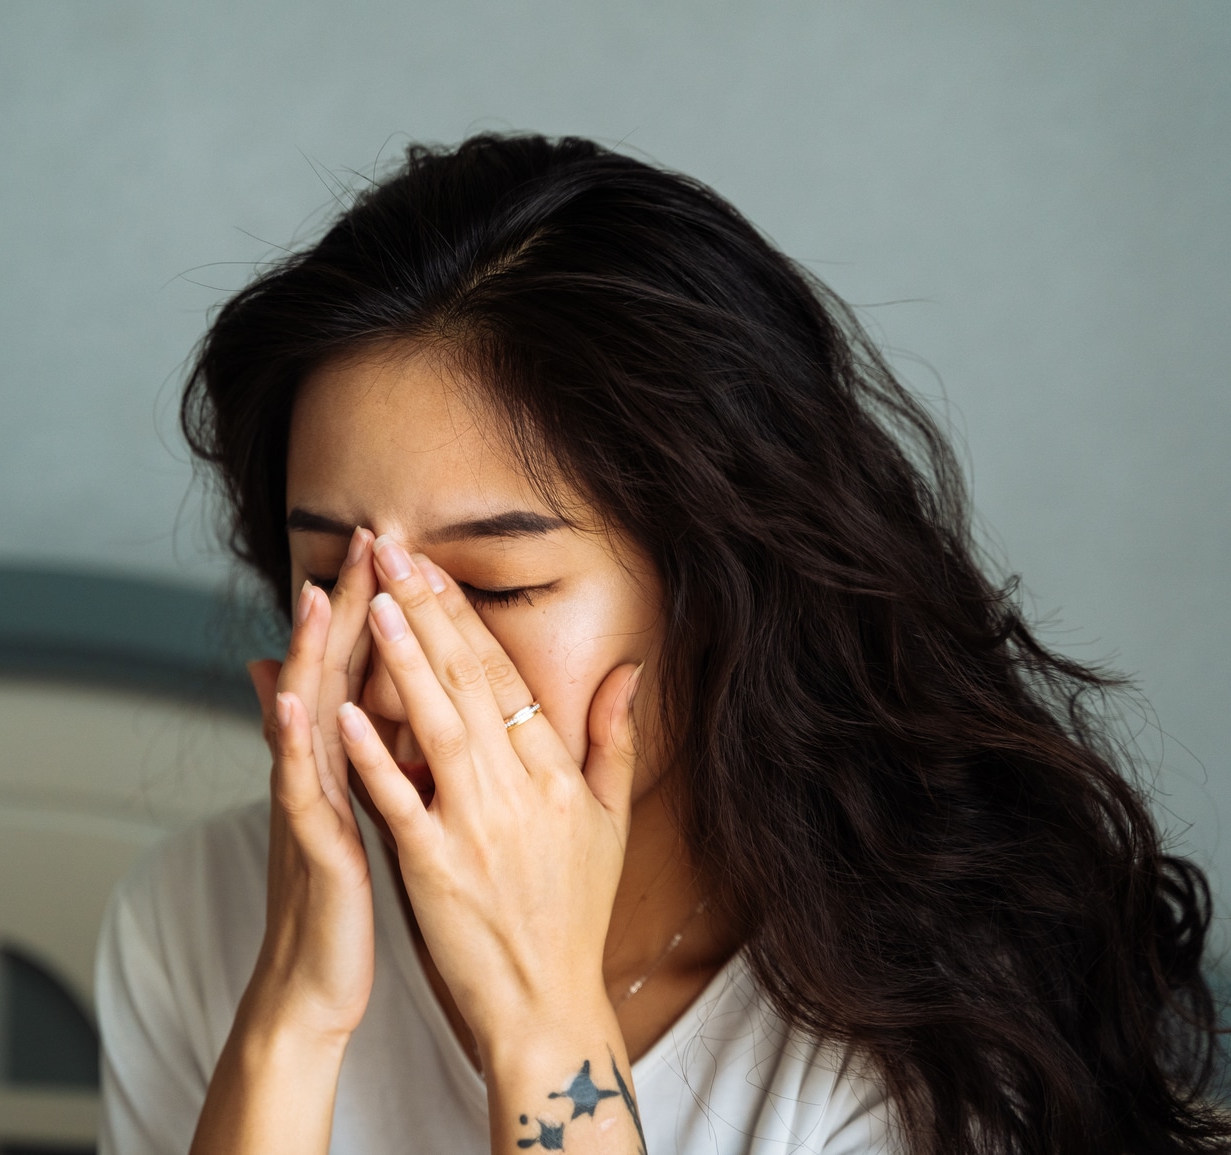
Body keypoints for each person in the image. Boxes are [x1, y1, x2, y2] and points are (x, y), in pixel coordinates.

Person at [95, 134, 1224, 1155]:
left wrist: (542, 1015)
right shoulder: (203, 912)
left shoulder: (933, 1014)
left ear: (722, 592)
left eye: (491, 586)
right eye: (333, 574)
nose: (398, 670)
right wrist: (290, 1018)